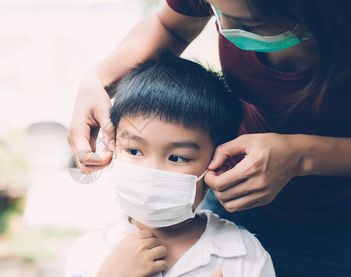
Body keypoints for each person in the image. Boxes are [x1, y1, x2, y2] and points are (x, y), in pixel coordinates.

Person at [67, 0, 351, 275]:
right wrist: (98, 79)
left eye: (246, 23)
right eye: (214, 9)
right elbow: (171, 25)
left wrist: (302, 155)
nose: (225, 30)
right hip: (234, 194)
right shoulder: (90, 254)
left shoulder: (243, 258)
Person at [66, 53, 275, 277]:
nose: (152, 171)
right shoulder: (88, 252)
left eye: (176, 157)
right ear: (113, 147)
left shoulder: (244, 256)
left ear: (219, 164)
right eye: (134, 151)